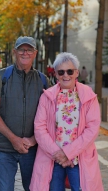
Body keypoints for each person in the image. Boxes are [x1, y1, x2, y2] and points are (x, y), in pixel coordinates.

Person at [30, 52, 104, 191]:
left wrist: (68, 153)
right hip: (53, 159)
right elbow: (39, 128)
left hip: (79, 159)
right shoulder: (47, 97)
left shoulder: (89, 96)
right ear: (56, 74)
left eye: (70, 71)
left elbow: (92, 129)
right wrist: (58, 155)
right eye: (61, 72)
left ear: (76, 73)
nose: (66, 75)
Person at [0, 36, 49, 191]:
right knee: (6, 188)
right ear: (15, 52)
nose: (25, 53)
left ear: (35, 53)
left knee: (33, 188)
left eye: (29, 50)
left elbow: (52, 114)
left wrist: (33, 140)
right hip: (4, 147)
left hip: (32, 149)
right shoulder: (1, 77)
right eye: (21, 49)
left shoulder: (43, 80)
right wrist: (14, 139)